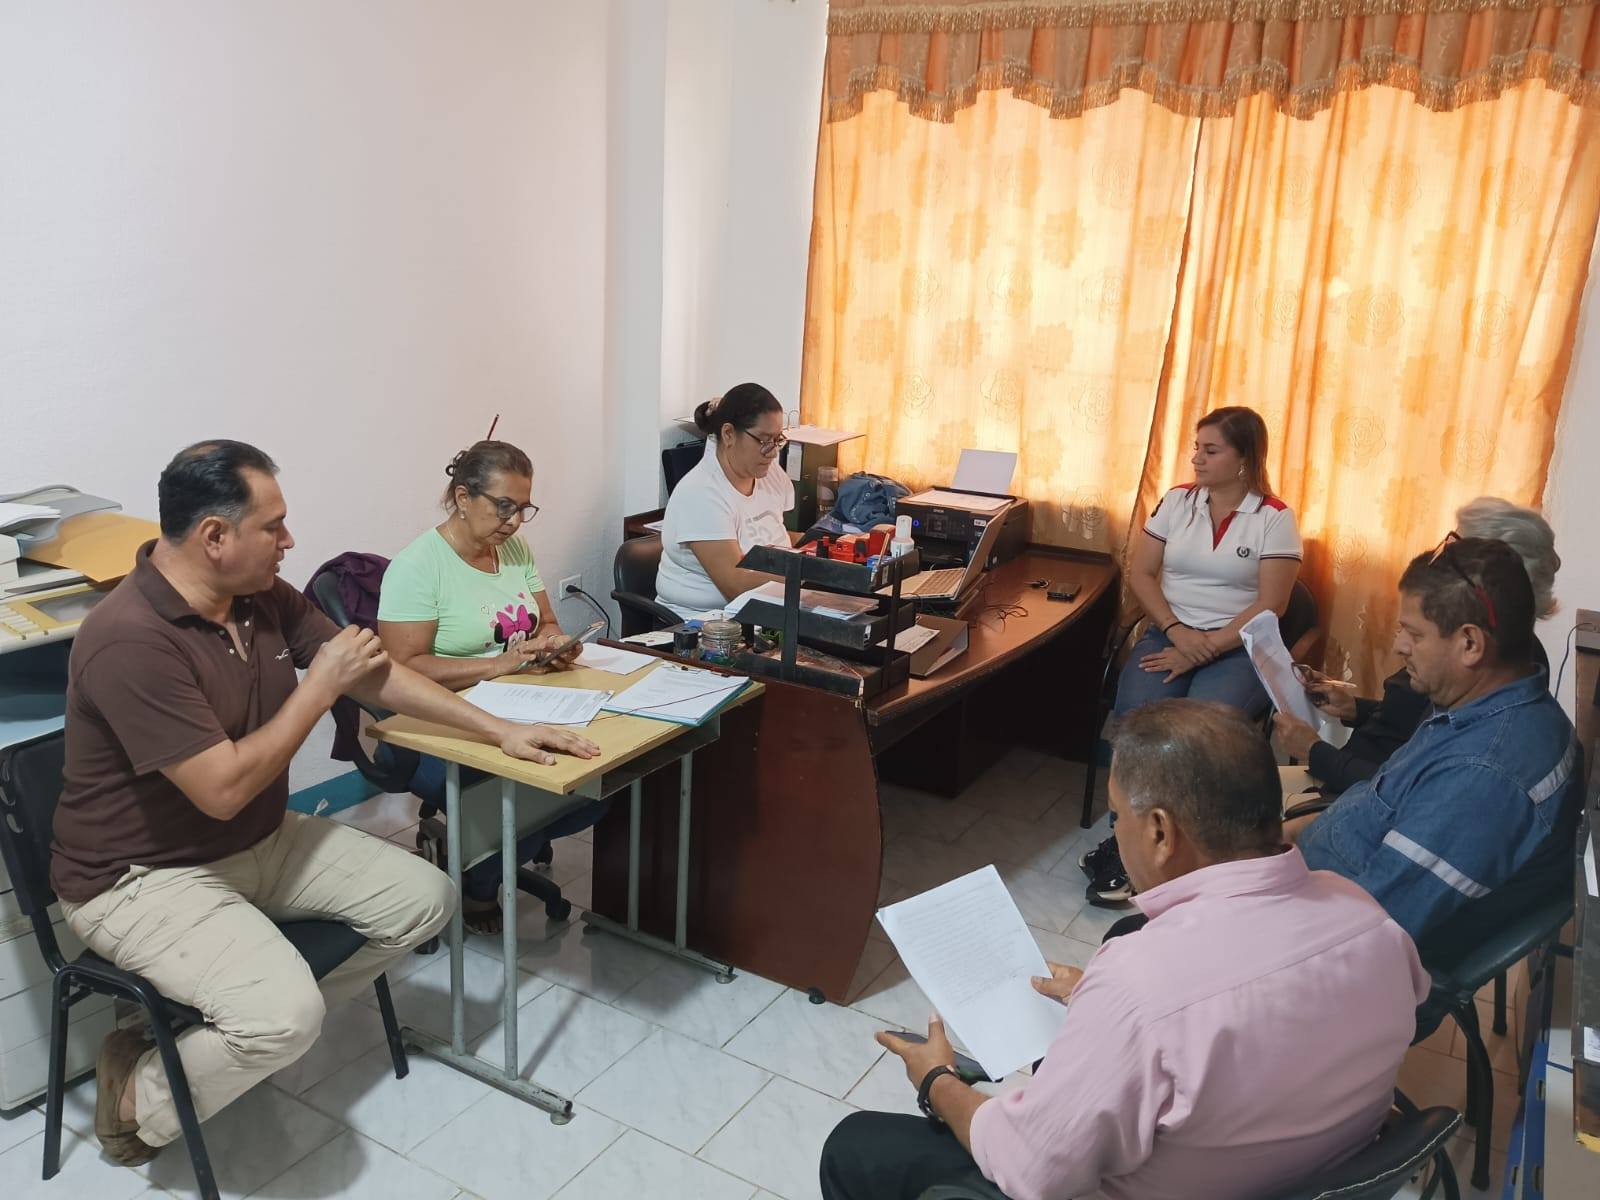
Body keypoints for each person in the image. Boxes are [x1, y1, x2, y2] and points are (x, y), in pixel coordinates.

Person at [51, 441, 599, 1167]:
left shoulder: (260, 597)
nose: (289, 541)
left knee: (425, 901)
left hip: (253, 841)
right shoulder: (129, 639)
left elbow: (376, 677)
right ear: (214, 537)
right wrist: (319, 687)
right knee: (284, 1018)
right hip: (140, 876)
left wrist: (500, 730)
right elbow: (222, 790)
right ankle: (139, 1098)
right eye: (272, 526)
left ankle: (218, 1034)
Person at [820, 700, 1427, 1200]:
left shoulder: (1141, 987)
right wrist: (1102, 1003)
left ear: (1160, 831)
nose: (1116, 833)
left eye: (1117, 817)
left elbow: (1030, 1169)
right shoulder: (1368, 919)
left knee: (856, 1146)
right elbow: (1257, 1015)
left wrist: (937, 1081)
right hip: (1307, 1175)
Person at [1295, 537, 1584, 967]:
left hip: (1326, 946)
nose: (1399, 646)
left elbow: (1361, 935)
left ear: (1470, 644)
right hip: (1315, 883)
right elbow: (1385, 800)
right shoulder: (1477, 701)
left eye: (1414, 634)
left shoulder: (1482, 777)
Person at [377, 439, 605, 933]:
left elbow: (545, 621)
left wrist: (555, 643)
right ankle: (478, 881)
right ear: (463, 498)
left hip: (521, 701)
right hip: (441, 721)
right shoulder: (418, 567)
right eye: (503, 506)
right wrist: (496, 666)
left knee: (599, 781)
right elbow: (402, 667)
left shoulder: (513, 550)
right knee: (527, 792)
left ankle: (488, 850)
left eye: (524, 508)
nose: (515, 521)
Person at [1082, 406, 1301, 904]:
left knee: (1205, 729)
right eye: (1196, 448)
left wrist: (1205, 649)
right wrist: (1177, 633)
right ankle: (1126, 841)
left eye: (1211, 450)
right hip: (1171, 635)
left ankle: (1192, 852)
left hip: (1237, 647)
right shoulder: (1177, 501)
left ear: (1244, 459)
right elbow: (1141, 574)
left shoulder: (1274, 518)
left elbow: (1274, 603)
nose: (1197, 458)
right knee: (1136, 722)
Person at [1274, 497, 1560, 797]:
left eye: (1454, 551)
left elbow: (1407, 789)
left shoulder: (1483, 666)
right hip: (1351, 782)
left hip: (1357, 793)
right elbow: (1410, 722)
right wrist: (1354, 708)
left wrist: (1314, 751)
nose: (1440, 558)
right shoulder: (1470, 652)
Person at [654, 382, 798, 618]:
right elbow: (736, 584)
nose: (773, 452)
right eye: (764, 441)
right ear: (728, 434)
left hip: (764, 612)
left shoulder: (769, 473)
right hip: (699, 623)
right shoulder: (702, 492)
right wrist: (807, 576)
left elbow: (776, 534)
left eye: (777, 439)